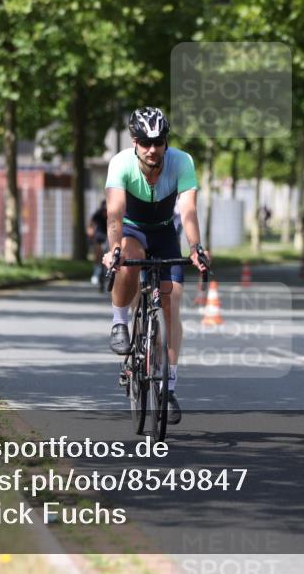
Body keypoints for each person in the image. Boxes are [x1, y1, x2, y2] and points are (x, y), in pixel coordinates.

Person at [102, 107, 210, 425]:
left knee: (171, 299)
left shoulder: (182, 162)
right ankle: (120, 321)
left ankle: (169, 386)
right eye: (146, 142)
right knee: (128, 264)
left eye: (158, 142)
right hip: (132, 228)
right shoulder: (120, 164)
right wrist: (114, 249)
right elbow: (114, 214)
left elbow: (188, 210)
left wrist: (195, 247)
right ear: (135, 141)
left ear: (166, 141)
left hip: (164, 231)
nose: (152, 149)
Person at [87, 200, 108, 285]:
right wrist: (90, 230)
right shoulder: (98, 214)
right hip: (99, 235)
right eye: (104, 210)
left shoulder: (113, 213)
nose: (105, 212)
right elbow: (91, 223)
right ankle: (95, 273)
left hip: (109, 236)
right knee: (97, 253)